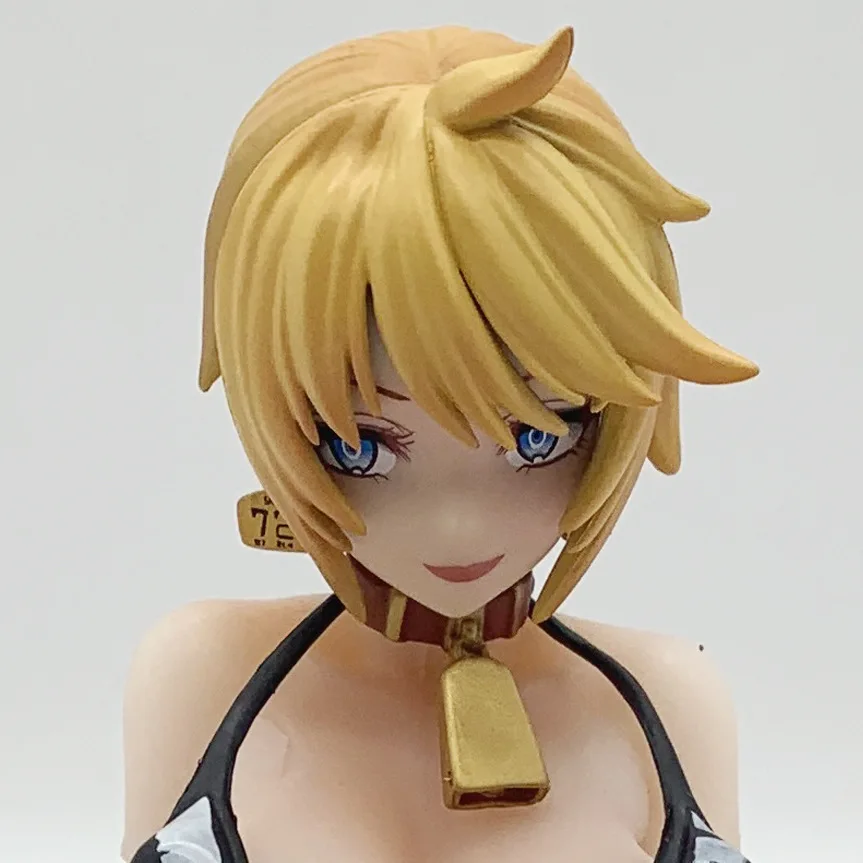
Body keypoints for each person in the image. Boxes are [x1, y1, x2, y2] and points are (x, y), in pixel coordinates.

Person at [122, 25, 758, 863]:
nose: (458, 526)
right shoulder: (203, 675)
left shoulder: (666, 702)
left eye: (535, 435)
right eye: (359, 446)